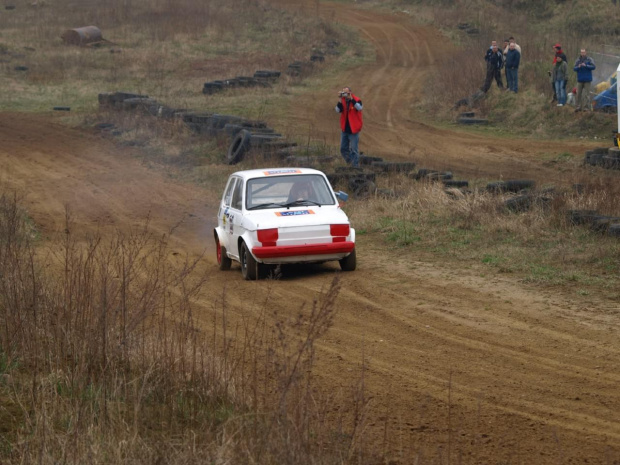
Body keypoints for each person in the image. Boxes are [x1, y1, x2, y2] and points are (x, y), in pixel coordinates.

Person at [335, 86, 363, 167]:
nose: (345, 94)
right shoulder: (343, 101)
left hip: (354, 129)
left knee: (354, 150)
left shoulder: (357, 100)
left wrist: (351, 99)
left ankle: (355, 166)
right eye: (343, 93)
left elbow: (359, 108)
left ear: (350, 92)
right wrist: (340, 99)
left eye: (346, 93)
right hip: (345, 129)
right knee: (343, 149)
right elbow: (337, 110)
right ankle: (350, 163)